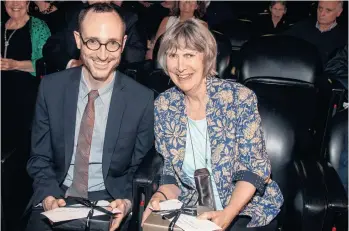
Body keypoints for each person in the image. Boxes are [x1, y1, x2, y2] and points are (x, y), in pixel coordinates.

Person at [142, 19, 283, 231]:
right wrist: (160, 198)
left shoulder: (239, 99)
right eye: (173, 55)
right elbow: (171, 175)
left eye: (189, 55)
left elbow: (254, 170)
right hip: (193, 209)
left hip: (244, 208)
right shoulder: (164, 105)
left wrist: (227, 213)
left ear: (207, 57)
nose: (180, 67)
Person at [25, 3, 154, 231]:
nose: (103, 55)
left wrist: (125, 201)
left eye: (112, 43)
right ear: (77, 40)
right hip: (57, 196)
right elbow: (39, 158)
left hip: (109, 203)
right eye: (93, 41)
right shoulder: (51, 89)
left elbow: (138, 168)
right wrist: (48, 196)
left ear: (123, 44)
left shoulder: (141, 100)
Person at [42, 0, 146, 74]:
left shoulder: (127, 18)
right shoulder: (73, 15)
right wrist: (72, 63)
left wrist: (108, 57)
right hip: (73, 81)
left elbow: (137, 54)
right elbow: (51, 47)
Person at [1, 0, 51, 151]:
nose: (15, 3)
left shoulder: (38, 27)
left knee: (21, 149)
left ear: (28, 2)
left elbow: (47, 64)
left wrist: (15, 64)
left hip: (26, 101)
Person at [284, 0, 347, 65]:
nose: (322, 14)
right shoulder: (301, 27)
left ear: (339, 12)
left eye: (328, 10)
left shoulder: (344, 38)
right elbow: (280, 42)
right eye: (320, 8)